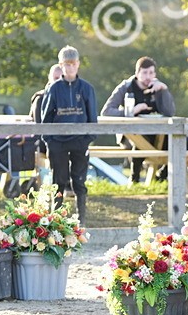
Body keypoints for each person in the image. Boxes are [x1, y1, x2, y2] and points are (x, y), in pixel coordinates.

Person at [40, 45, 96, 223]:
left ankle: (82, 218)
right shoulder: (54, 88)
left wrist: (87, 139)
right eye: (66, 64)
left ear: (78, 64)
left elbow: (92, 117)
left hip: (80, 141)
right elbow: (46, 116)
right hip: (58, 142)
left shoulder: (86, 89)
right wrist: (50, 140)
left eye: (73, 64)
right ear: (61, 65)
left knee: (79, 181)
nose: (70, 67)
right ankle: (56, 219)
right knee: (59, 181)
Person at [101, 56, 177, 183]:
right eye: (145, 72)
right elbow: (106, 112)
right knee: (140, 139)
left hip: (157, 134)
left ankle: (162, 176)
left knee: (185, 142)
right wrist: (132, 111)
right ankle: (134, 178)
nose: (148, 76)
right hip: (130, 135)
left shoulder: (157, 88)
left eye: (151, 73)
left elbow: (170, 112)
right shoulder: (126, 87)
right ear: (137, 73)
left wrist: (164, 90)